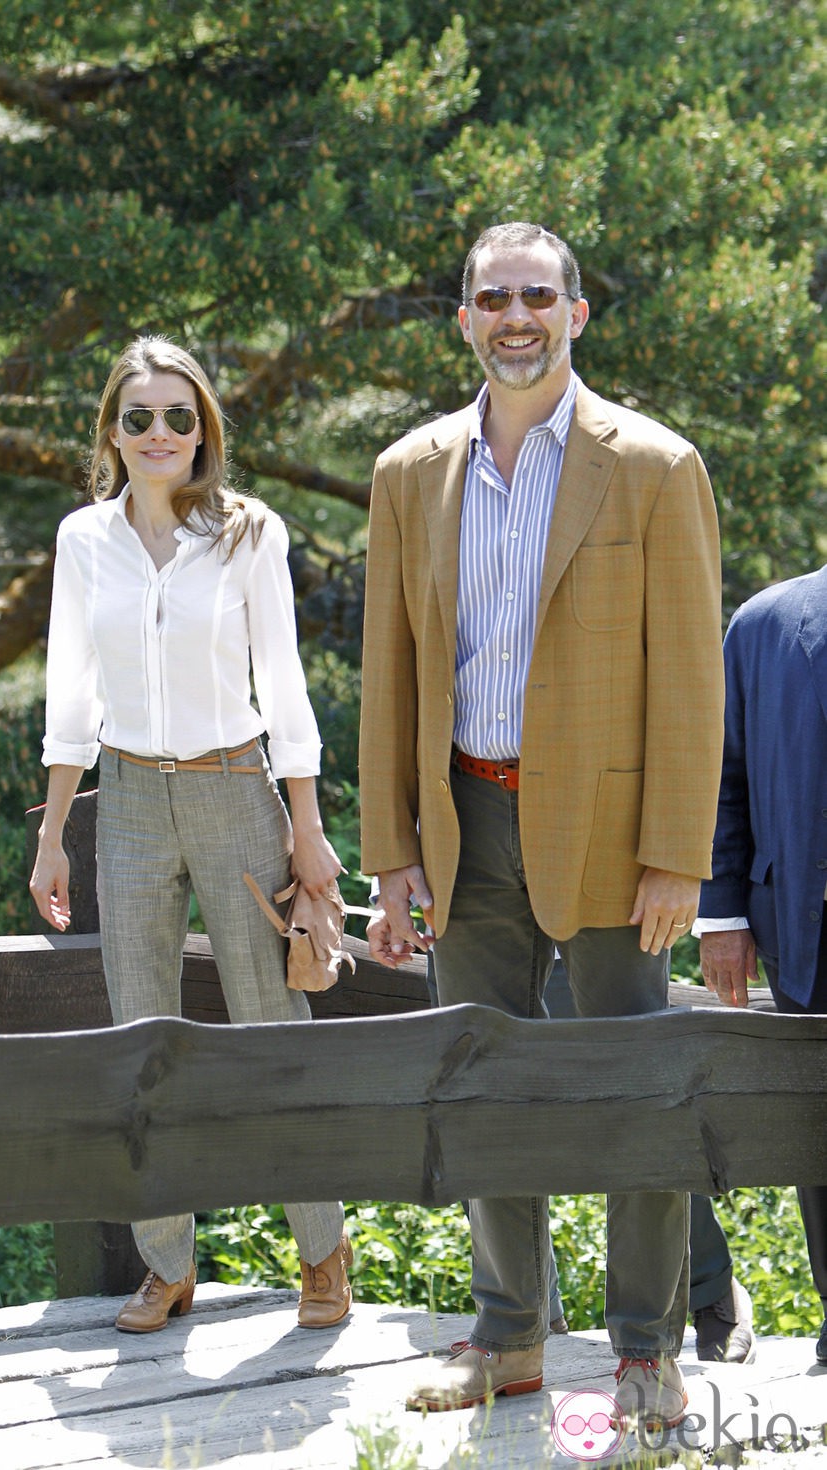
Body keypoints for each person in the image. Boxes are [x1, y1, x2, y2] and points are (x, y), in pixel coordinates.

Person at [359, 222, 725, 1428]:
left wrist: (678, 849)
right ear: (462, 320)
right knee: (482, 1083)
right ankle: (508, 1338)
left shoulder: (656, 466)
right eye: (489, 298)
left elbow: (687, 676)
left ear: (575, 314)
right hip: (464, 817)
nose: (513, 316)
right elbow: (390, 673)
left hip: (619, 839)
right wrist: (392, 853)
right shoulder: (409, 471)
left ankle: (642, 1353)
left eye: (535, 296)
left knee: (637, 1092)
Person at [29, 335, 352, 1335]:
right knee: (141, 1031)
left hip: (236, 792)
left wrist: (306, 827)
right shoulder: (83, 540)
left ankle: (321, 1252)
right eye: (138, 418)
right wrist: (50, 836)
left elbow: (284, 689)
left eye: (179, 415)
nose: (159, 432)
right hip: (123, 800)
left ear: (203, 429)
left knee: (270, 1021)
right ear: (113, 434)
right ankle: (165, 1262)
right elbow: (68, 692)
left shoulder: (249, 533)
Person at [695, 563, 827, 1367]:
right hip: (806, 928)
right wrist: (723, 915)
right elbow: (723, 779)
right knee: (821, 1131)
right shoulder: (765, 622)